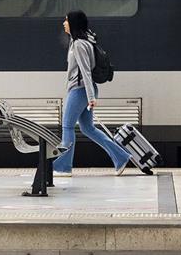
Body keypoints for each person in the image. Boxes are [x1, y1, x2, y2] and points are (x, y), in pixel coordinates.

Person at [54, 10, 133, 177]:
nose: (64, 23)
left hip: (80, 90)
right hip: (82, 89)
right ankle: (121, 157)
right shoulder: (80, 41)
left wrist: (91, 97)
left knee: (67, 126)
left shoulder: (79, 44)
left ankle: (63, 166)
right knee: (88, 128)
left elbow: (86, 71)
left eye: (66, 20)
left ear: (73, 23)